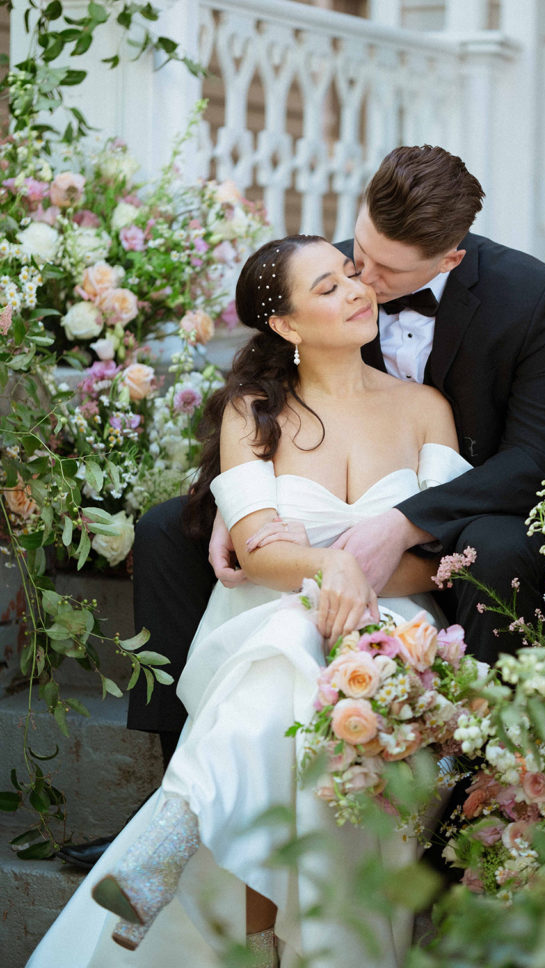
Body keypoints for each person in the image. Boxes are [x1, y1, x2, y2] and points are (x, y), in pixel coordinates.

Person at [59, 144, 545, 868]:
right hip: (323, 509)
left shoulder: (535, 297)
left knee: (493, 550)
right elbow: (268, 380)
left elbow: (532, 462)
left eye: (383, 271)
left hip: (471, 504)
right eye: (355, 252)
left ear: (450, 261)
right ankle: (179, 798)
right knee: (163, 528)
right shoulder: (331, 277)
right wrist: (236, 497)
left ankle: (465, 816)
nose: (361, 281)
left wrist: (405, 523)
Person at [28, 234, 472, 968]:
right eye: (327, 288)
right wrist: (335, 565)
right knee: (288, 652)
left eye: (350, 275)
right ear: (288, 326)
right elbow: (259, 554)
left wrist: (359, 580)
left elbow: (441, 559)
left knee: (294, 688)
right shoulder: (252, 410)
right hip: (267, 610)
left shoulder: (426, 408)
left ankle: (181, 823)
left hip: (397, 625)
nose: (357, 290)